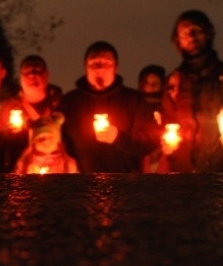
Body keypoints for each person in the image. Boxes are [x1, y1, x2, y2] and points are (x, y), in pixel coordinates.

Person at [162, 9, 223, 172]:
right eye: (185, 33)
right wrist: (166, 141)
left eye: (197, 30)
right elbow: (167, 121)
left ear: (208, 33)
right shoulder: (173, 83)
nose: (192, 36)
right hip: (184, 176)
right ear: (178, 40)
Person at [58, 41, 159, 173]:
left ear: (115, 68)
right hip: (81, 184)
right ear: (85, 68)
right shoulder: (70, 102)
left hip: (126, 183)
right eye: (94, 64)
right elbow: (57, 140)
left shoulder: (134, 100)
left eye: (106, 64)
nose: (99, 68)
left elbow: (150, 140)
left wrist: (118, 138)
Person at [0, 55, 62, 172]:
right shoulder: (8, 107)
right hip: (19, 172)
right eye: (27, 71)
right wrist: (6, 134)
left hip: (56, 172)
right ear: (20, 77)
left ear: (46, 74)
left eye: (37, 70)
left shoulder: (61, 104)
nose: (32, 75)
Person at [13, 112, 79, 174]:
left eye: (50, 138)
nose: (46, 141)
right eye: (40, 138)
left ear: (58, 141)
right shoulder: (24, 164)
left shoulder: (68, 164)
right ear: (33, 143)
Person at [137, 64, 169, 173]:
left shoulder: (168, 108)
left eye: (155, 83)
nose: (150, 87)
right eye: (147, 83)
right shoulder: (136, 109)